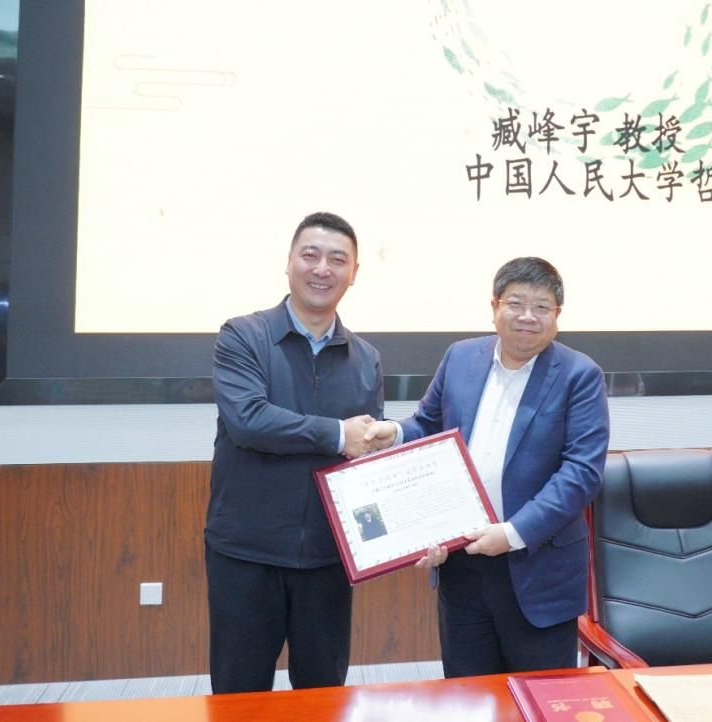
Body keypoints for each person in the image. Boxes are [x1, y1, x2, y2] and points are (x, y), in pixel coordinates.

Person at [362, 256, 609, 677]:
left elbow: (581, 473)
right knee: (468, 694)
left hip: (537, 567)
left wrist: (511, 534)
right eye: (516, 303)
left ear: (557, 316)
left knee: (539, 697)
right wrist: (395, 432)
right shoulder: (460, 357)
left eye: (541, 307)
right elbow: (429, 425)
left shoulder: (580, 375)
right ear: (494, 306)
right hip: (463, 563)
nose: (527, 316)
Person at [205, 211, 384, 693]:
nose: (322, 269)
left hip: (327, 559)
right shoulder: (243, 335)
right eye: (310, 255)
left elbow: (363, 460)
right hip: (247, 552)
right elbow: (248, 420)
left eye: (337, 259)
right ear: (289, 262)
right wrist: (336, 434)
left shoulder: (366, 358)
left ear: (354, 272)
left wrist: (388, 537)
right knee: (240, 695)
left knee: (322, 694)